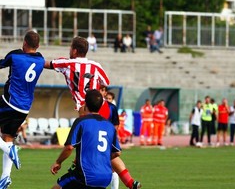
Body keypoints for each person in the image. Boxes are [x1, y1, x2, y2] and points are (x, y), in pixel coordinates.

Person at [45, 37, 141, 189]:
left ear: (74, 50)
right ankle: (130, 182)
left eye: (71, 48)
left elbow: (46, 64)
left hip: (87, 109)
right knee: (107, 149)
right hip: (101, 107)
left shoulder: (67, 63)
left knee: (84, 142)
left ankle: (80, 168)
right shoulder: (96, 66)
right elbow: (106, 81)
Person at [50, 89, 121, 189]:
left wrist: (58, 162)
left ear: (85, 104)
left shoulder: (81, 122)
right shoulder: (109, 126)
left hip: (86, 174)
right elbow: (117, 153)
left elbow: (69, 148)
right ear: (101, 106)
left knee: (57, 187)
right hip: (106, 176)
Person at [0, 30, 45, 188]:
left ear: (24, 43)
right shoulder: (41, 59)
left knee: (7, 144)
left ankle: (8, 150)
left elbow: (1, 64)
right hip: (24, 109)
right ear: (38, 46)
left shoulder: (15, 55)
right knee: (7, 135)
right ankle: (5, 177)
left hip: (9, 102)